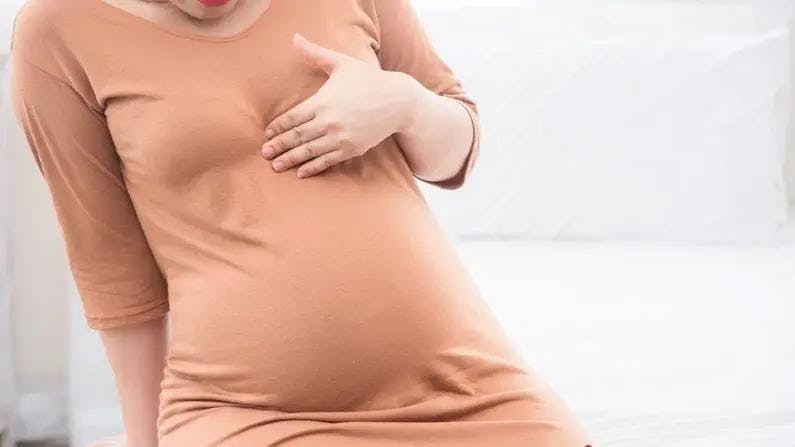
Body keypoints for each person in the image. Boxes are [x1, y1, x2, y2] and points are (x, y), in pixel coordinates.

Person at [8, 0, 592, 445]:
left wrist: (403, 104)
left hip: (470, 393)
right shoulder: (59, 31)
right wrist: (146, 441)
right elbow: (112, 268)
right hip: (248, 414)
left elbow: (455, 153)